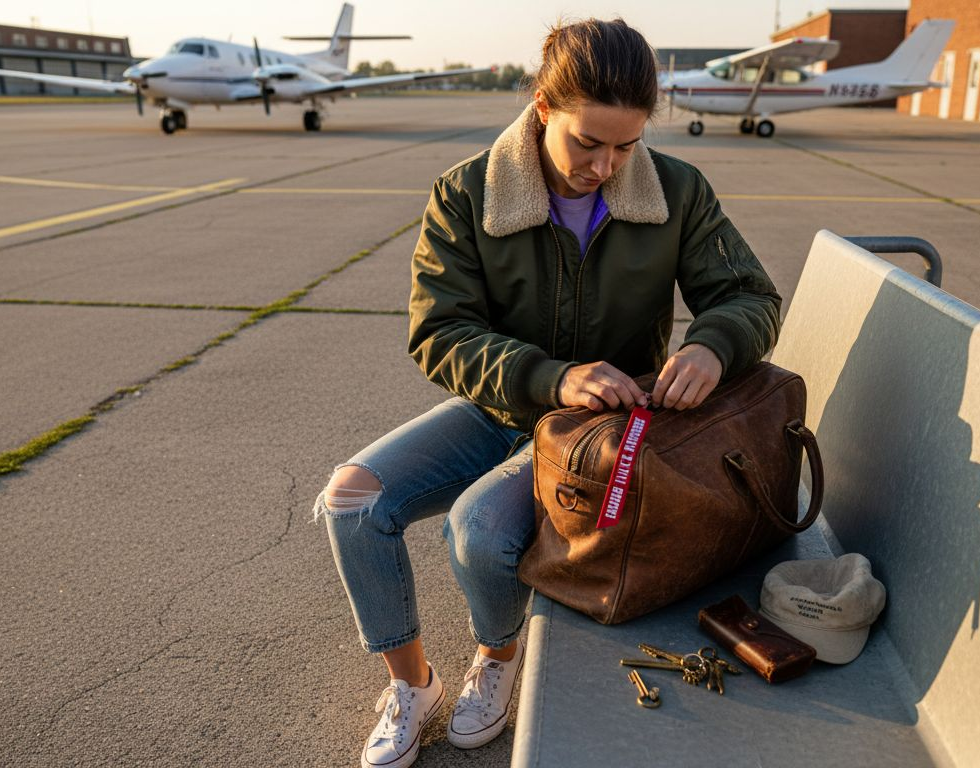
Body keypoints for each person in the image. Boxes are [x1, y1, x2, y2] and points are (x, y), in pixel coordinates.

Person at [315, 18, 781, 768]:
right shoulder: (467, 193)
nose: (606, 166)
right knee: (352, 500)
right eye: (587, 142)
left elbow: (749, 296)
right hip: (503, 405)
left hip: (604, 433)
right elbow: (439, 331)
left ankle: (497, 658)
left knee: (478, 529)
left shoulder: (676, 190)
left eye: (626, 146)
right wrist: (552, 376)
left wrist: (711, 345)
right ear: (542, 107)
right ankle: (413, 685)